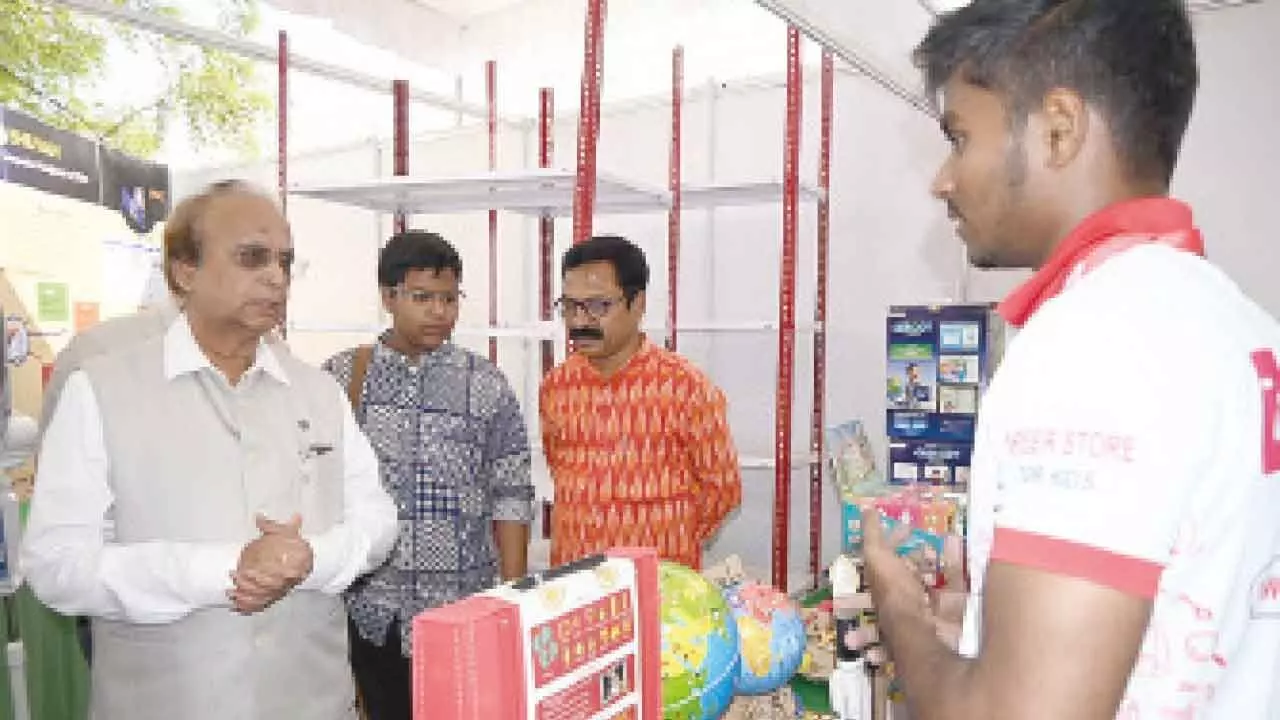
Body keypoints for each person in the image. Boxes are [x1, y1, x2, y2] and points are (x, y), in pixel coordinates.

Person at [859, 1, 1280, 718]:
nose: (942, 180)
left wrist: (898, 613)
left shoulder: (1093, 344)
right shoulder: (1234, 321)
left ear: (1059, 128)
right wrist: (995, 622)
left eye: (960, 138)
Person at [20, 179, 399, 720]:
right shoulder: (102, 388)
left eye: (286, 262)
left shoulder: (319, 391)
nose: (275, 277)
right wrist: (222, 569)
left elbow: (378, 518)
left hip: (313, 702)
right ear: (184, 270)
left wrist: (313, 558)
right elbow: (56, 565)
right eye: (252, 257)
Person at [322, 229, 534, 720]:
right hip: (374, 609)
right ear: (388, 297)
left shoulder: (485, 383)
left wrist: (514, 593)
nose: (439, 312)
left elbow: (512, 490)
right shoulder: (340, 378)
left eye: (449, 298)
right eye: (422, 298)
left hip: (462, 606)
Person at [539, 234, 742, 570]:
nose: (579, 321)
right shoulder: (556, 387)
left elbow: (722, 489)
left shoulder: (685, 386)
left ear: (638, 303)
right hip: (576, 586)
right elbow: (558, 468)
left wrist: (667, 535)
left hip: (662, 588)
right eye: (570, 306)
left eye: (598, 306)